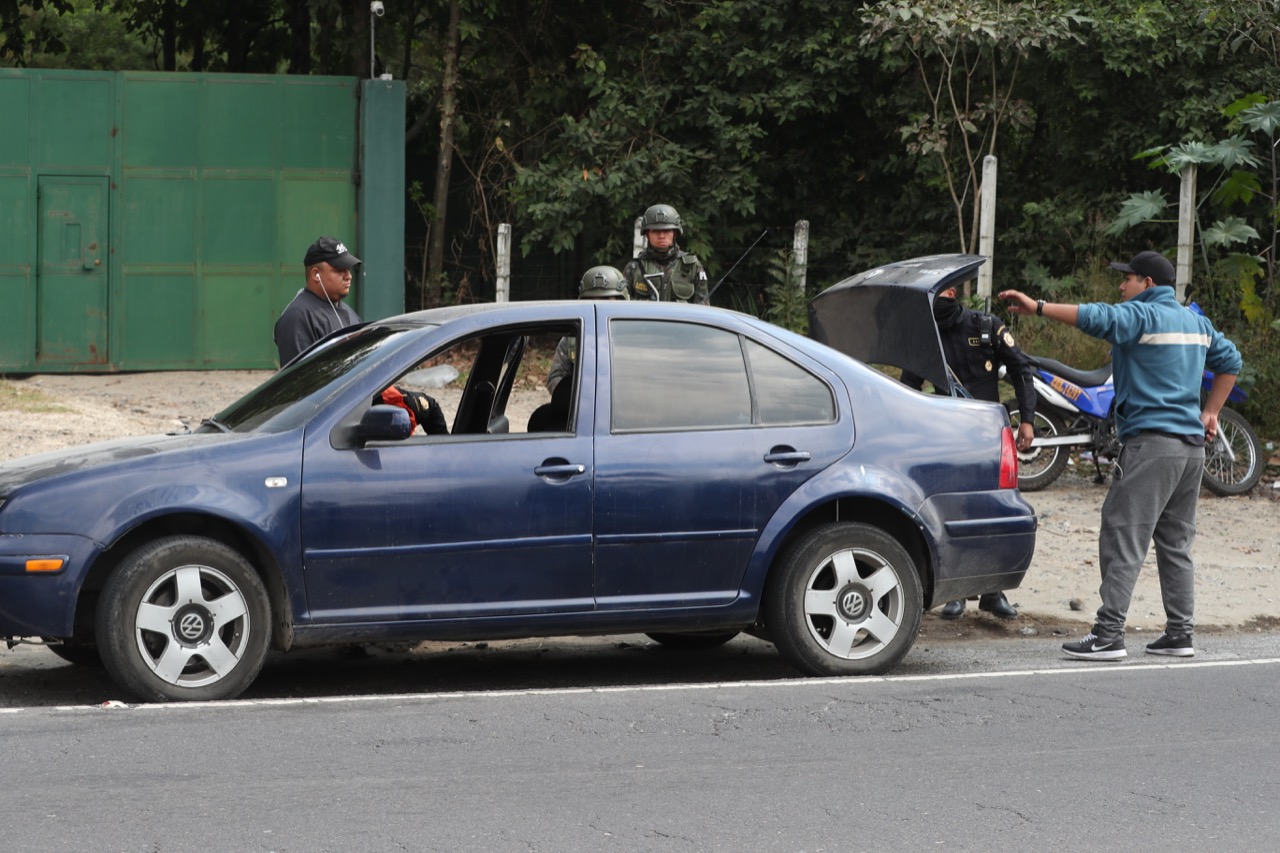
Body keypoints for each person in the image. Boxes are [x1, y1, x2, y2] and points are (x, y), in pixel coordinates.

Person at [1000, 250, 1242, 660]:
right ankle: (1180, 633)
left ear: (1147, 284)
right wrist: (1212, 411)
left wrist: (1037, 307)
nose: (1121, 286)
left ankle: (1109, 634)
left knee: (1122, 534)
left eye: (1126, 279)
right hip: (1190, 451)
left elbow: (1098, 317)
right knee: (1176, 543)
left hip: (1152, 446)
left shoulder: (1142, 316)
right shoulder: (1197, 324)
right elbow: (1231, 361)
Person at [901, 283, 1037, 621]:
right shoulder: (926, 337)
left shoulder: (986, 326)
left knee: (993, 509)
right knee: (955, 513)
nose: (941, 301)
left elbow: (1022, 369)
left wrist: (1028, 421)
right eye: (934, 297)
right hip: (947, 436)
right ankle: (957, 591)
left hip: (990, 434)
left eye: (945, 294)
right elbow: (907, 390)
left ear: (954, 294)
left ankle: (992, 591)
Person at [274, 236, 364, 365]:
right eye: (339, 270)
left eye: (348, 269)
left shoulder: (347, 311)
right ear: (316, 274)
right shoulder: (297, 317)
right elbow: (301, 379)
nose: (348, 276)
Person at [546, 265, 629, 395]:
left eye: (606, 299)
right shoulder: (573, 338)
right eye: (592, 299)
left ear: (621, 300)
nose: (599, 305)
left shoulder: (633, 338)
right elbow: (555, 377)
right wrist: (577, 397)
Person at [622, 204, 709, 304]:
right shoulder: (634, 267)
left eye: (667, 230)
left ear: (675, 233)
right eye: (655, 231)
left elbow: (703, 310)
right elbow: (622, 307)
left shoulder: (692, 267)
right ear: (647, 234)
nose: (662, 236)